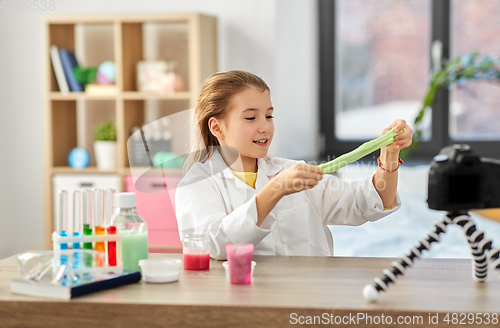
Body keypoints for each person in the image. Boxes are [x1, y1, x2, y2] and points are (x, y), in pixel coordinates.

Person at [175, 70, 413, 260]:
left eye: (269, 116)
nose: (265, 127)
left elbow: (368, 203)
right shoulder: (197, 184)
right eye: (251, 117)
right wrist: (276, 189)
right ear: (217, 127)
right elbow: (214, 245)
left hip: (310, 302)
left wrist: (389, 155)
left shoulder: (291, 171)